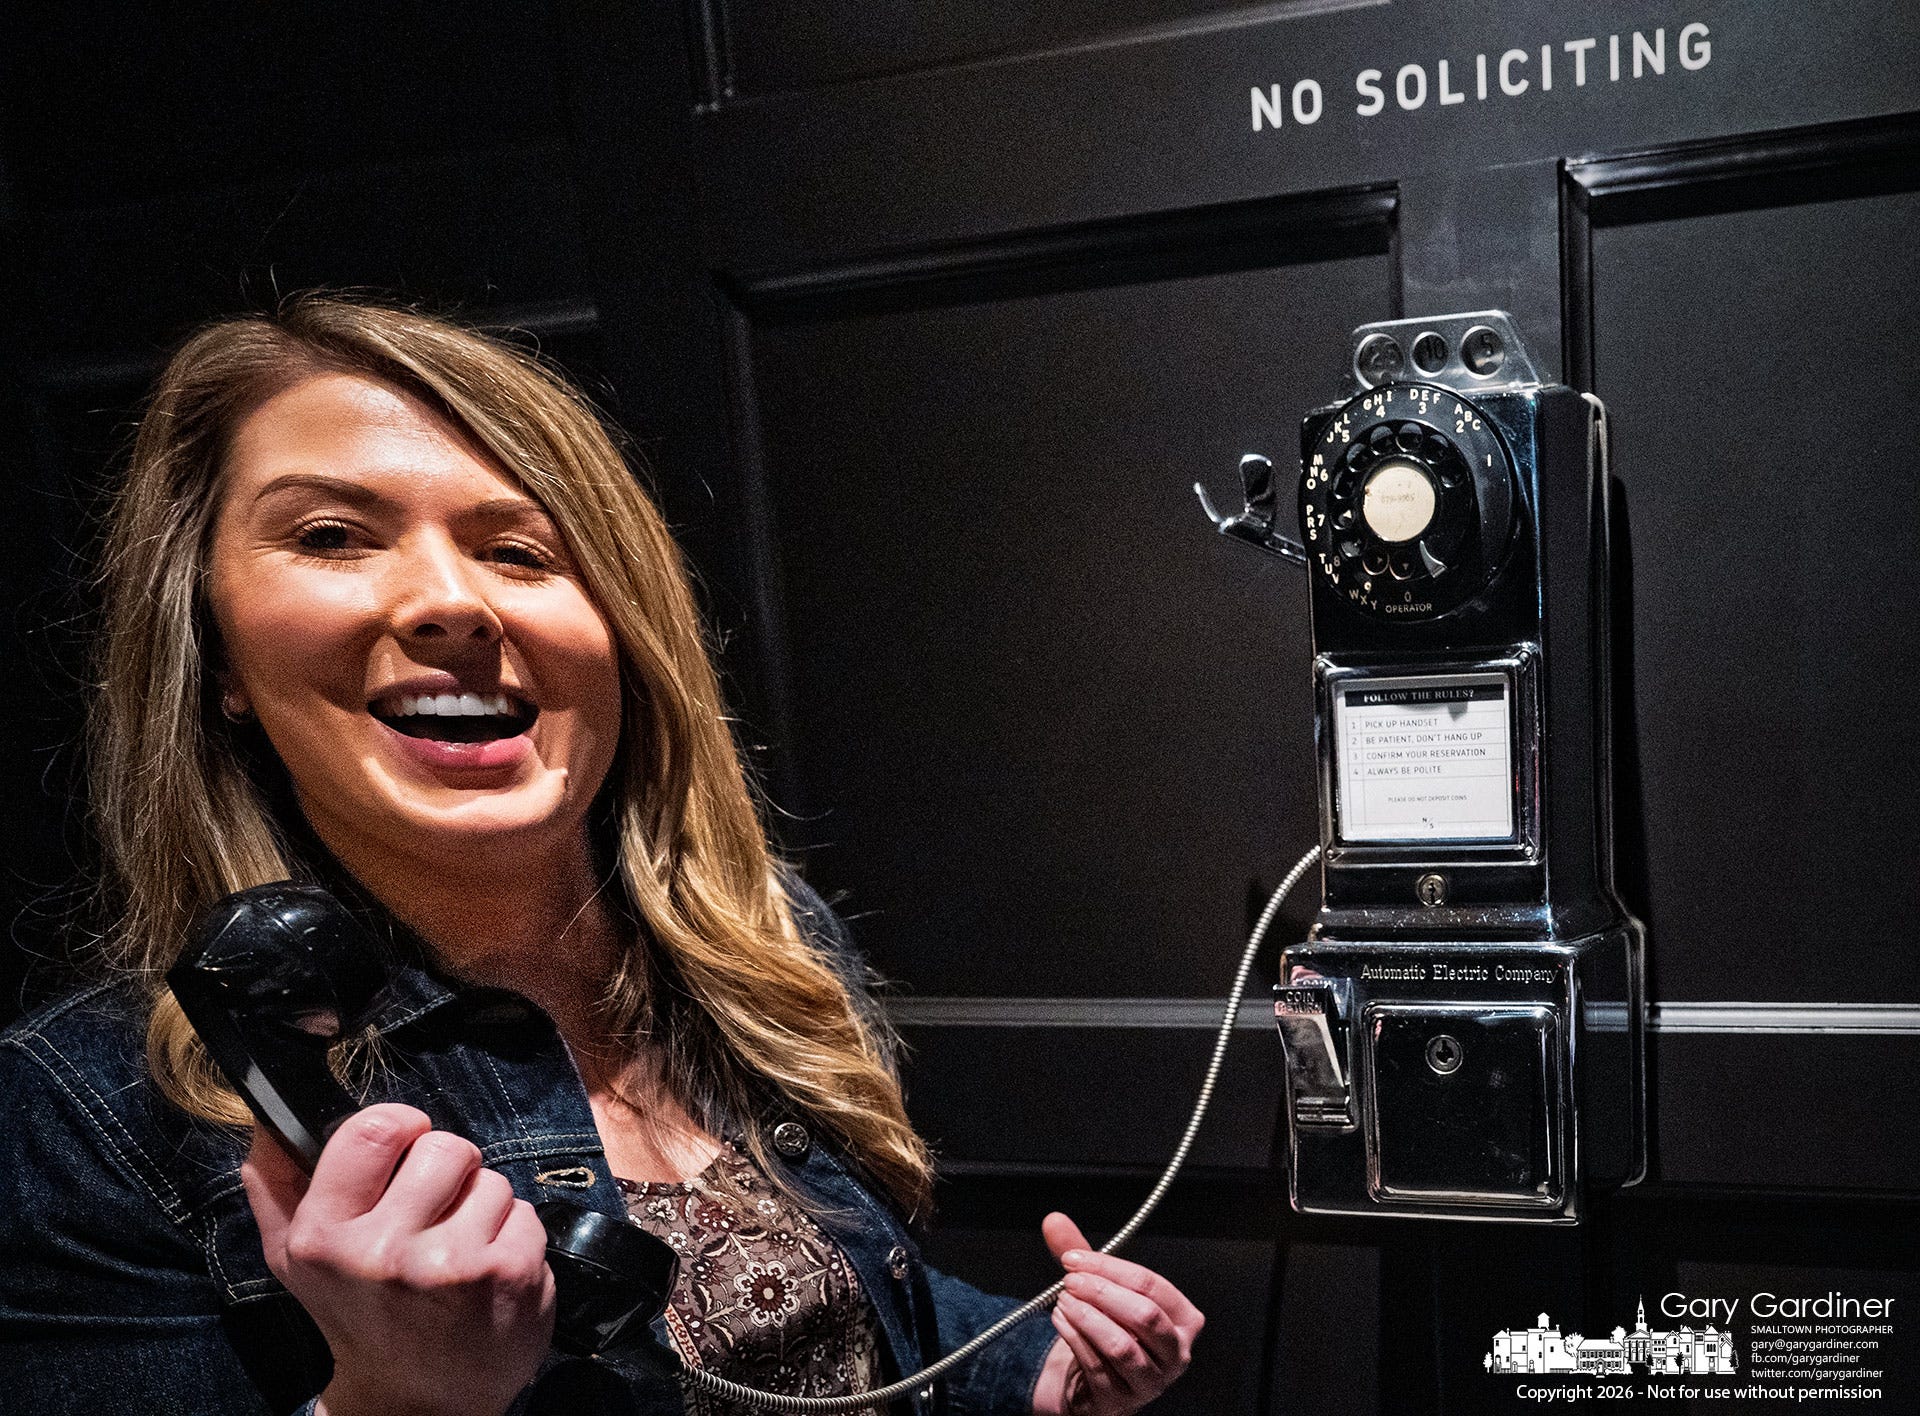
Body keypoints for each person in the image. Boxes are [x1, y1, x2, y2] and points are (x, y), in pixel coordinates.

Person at [0, 296, 1203, 1416]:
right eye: (332, 536)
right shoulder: (84, 1115)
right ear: (217, 656)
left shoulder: (759, 939)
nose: (451, 603)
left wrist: (1025, 1362)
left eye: (521, 552)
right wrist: (395, 1402)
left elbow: (834, 1305)